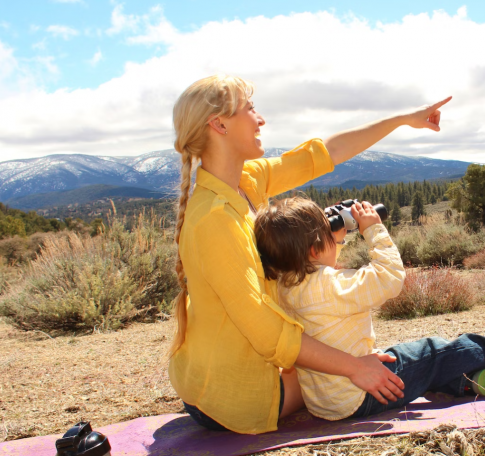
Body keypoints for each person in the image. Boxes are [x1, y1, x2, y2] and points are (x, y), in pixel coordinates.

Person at [167, 74, 451, 433]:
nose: (260, 119)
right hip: (231, 394)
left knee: (345, 357)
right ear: (219, 124)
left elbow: (324, 153)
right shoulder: (213, 219)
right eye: (250, 108)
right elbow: (265, 330)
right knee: (351, 379)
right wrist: (353, 366)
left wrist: (401, 120)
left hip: (216, 376)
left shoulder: (245, 182)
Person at [254, 197, 485, 421]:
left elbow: (318, 261)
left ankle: (466, 382)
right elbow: (389, 277)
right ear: (315, 248)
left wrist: (331, 235)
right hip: (363, 394)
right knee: (434, 351)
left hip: (327, 402)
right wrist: (373, 230)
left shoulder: (284, 287)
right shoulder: (330, 285)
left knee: (408, 358)